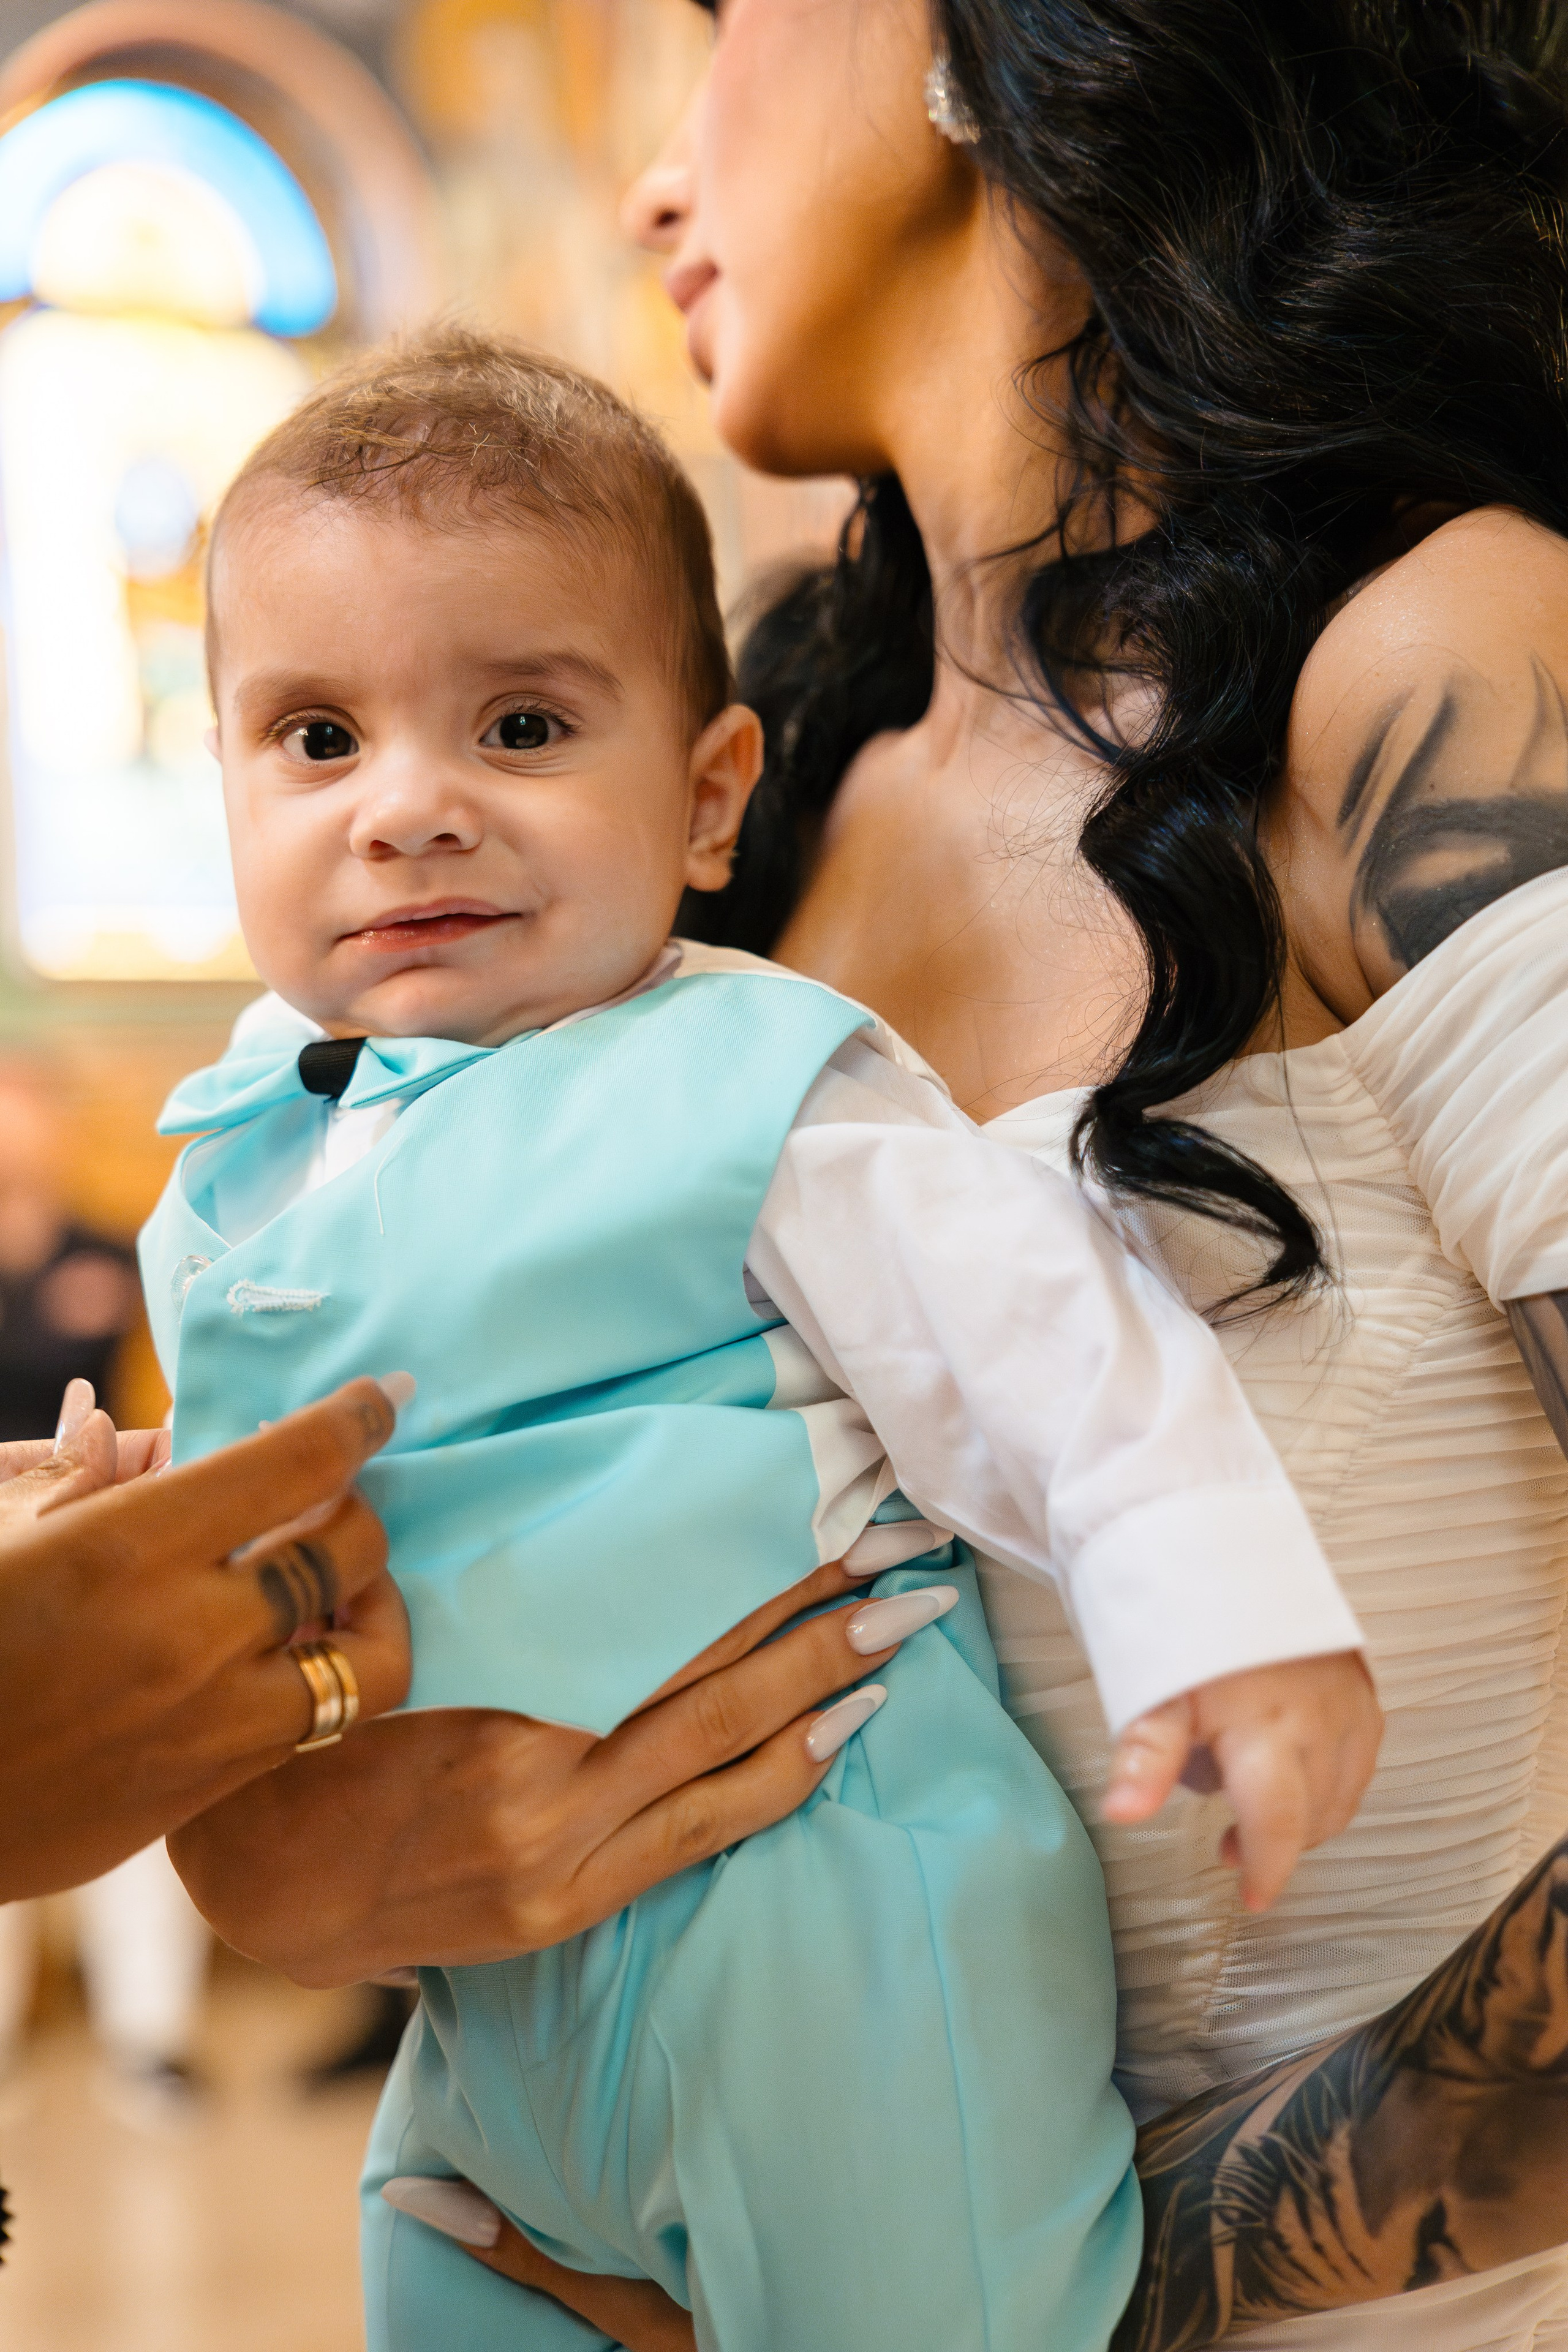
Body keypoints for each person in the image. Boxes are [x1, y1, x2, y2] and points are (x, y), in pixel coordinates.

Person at [176, 1, 1568, 2345]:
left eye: (713, 24)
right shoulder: (749, 843)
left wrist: (1088, 2283)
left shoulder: (1444, 673)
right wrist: (319, 1857)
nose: (645, 176)